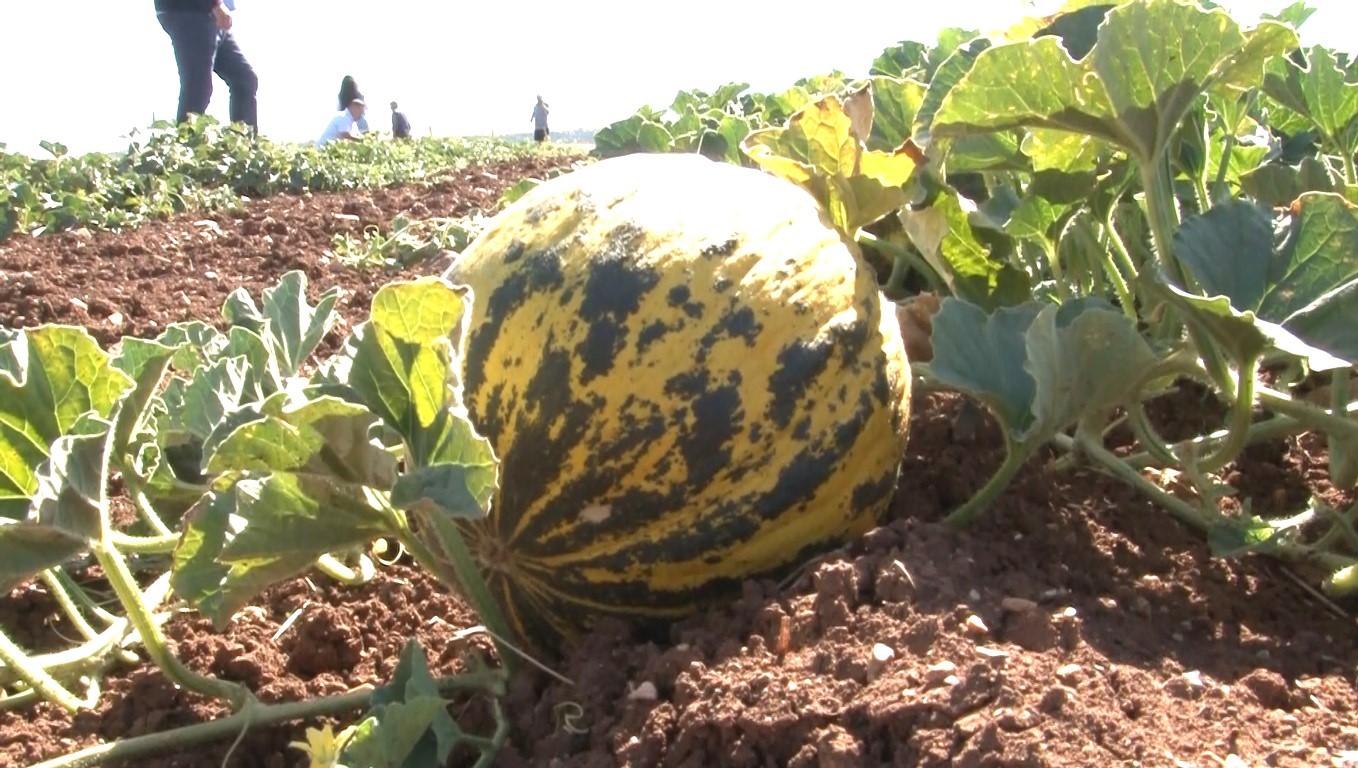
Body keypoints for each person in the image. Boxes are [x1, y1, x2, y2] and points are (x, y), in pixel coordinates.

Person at [154, 0, 259, 133]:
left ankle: (242, 145)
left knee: (244, 79)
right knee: (198, 86)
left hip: (207, 14)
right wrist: (216, 5)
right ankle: (185, 144)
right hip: (191, 10)